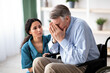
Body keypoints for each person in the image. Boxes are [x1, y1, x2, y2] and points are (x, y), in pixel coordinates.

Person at [32, 5, 100, 73]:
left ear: (67, 19)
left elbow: (80, 58)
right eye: (54, 24)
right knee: (38, 62)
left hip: (84, 66)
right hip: (66, 61)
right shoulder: (60, 28)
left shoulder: (80, 26)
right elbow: (53, 51)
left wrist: (61, 40)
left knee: (51, 68)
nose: (56, 27)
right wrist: (54, 40)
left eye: (58, 24)